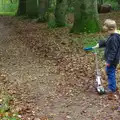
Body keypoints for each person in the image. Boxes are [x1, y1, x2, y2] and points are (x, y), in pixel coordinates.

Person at [93, 19, 120, 94]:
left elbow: (113, 51)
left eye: (107, 31)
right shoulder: (113, 35)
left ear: (111, 29)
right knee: (109, 71)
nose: (107, 33)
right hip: (112, 60)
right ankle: (112, 86)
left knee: (110, 72)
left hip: (112, 60)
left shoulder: (114, 38)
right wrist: (99, 44)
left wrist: (109, 61)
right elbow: (107, 41)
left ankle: (112, 88)